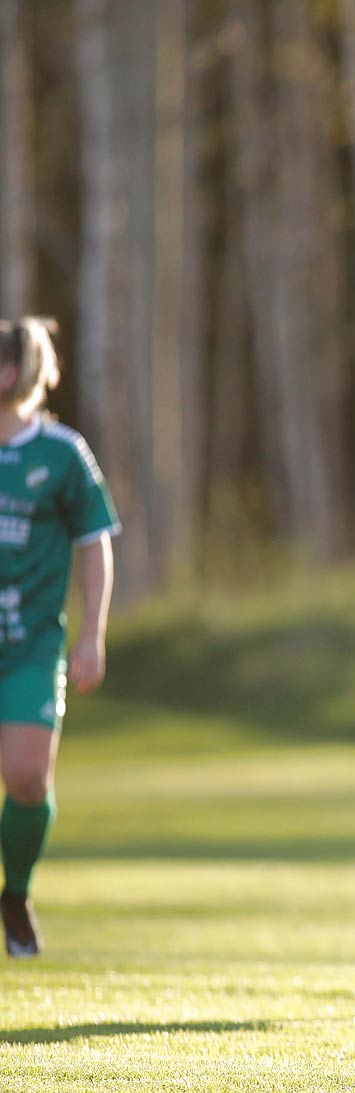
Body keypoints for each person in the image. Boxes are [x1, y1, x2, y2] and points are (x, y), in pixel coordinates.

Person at [0, 317, 120, 958]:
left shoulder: (61, 453)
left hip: (30, 643)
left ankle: (14, 894)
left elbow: (95, 543)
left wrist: (92, 634)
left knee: (25, 776)